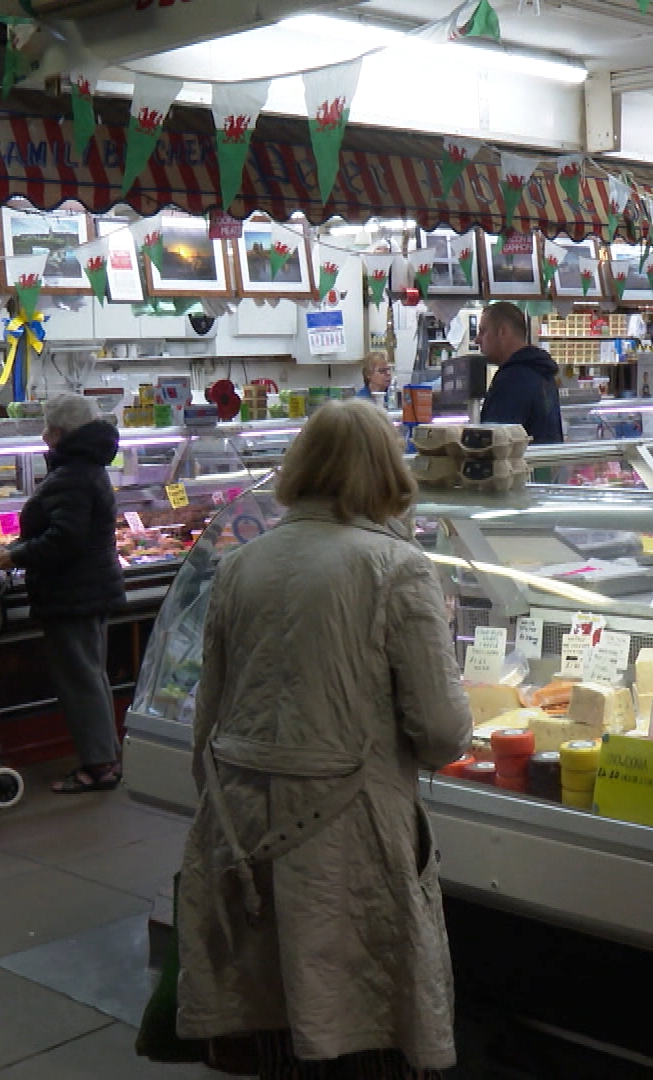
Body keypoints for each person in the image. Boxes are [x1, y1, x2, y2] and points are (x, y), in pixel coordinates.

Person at [176, 398, 470, 1079]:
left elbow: (208, 717)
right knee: (354, 1026)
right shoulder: (397, 566)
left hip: (243, 824)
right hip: (352, 835)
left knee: (277, 1014)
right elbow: (444, 731)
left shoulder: (242, 564)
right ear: (386, 473)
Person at [0, 394, 126, 793]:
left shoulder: (72, 474)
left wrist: (16, 555)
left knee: (80, 681)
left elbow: (65, 539)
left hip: (74, 592)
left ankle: (98, 766)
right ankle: (105, 758)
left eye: (48, 427)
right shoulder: (87, 468)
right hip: (88, 588)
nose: (43, 435)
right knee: (91, 676)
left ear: (61, 433)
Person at [475, 301, 563, 444]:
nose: (477, 340)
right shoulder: (542, 372)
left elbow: (495, 446)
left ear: (502, 331)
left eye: (483, 331)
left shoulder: (512, 380)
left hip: (519, 466)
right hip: (542, 463)